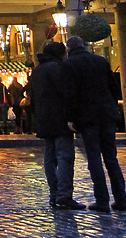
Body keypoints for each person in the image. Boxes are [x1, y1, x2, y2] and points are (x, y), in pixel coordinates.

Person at [63, 36, 126, 212]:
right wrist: (111, 107)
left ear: (68, 49)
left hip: (87, 118)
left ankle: (102, 201)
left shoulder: (70, 65)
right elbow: (115, 89)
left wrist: (71, 118)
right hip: (107, 115)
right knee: (111, 158)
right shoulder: (101, 61)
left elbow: (71, 94)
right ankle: (121, 200)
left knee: (94, 158)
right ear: (84, 46)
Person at [29, 41, 84, 210]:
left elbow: (32, 98)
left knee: (49, 157)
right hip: (60, 119)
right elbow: (68, 93)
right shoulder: (58, 68)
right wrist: (71, 117)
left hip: (44, 120)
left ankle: (54, 193)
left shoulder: (37, 71)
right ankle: (64, 195)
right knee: (65, 156)